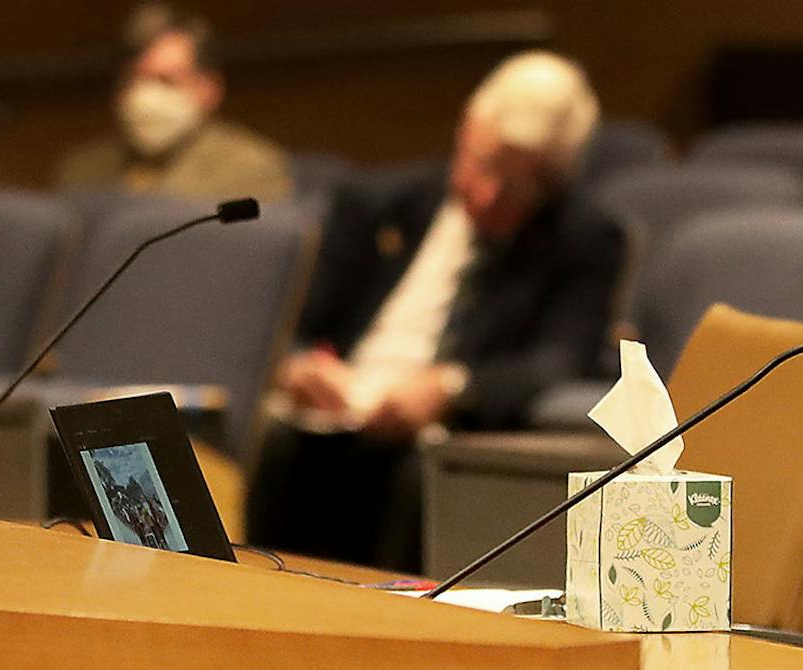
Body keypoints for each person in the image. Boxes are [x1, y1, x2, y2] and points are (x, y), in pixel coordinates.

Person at [244, 49, 624, 568]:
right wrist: (304, 367)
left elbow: (559, 360)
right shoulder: (375, 204)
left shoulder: (585, 238)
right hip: (334, 410)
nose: (488, 195)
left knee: (412, 473)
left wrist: (451, 389)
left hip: (442, 430)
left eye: (517, 184)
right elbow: (302, 329)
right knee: (281, 444)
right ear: (466, 131)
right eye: (483, 165)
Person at [53, 4, 291, 204]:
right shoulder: (80, 170)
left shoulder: (251, 170)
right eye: (133, 80)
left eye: (165, 81)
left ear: (209, 86)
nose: (145, 95)